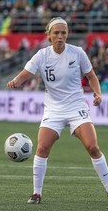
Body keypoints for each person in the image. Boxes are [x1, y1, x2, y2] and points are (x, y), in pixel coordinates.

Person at [7, 17, 108, 204]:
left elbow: (91, 76)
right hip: (53, 110)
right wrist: (16, 81)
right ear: (49, 36)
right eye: (56, 33)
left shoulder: (77, 53)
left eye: (63, 33)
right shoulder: (42, 55)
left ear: (67, 34)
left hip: (76, 106)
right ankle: (36, 193)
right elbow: (27, 72)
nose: (60, 36)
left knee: (93, 147)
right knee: (42, 147)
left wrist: (98, 93)